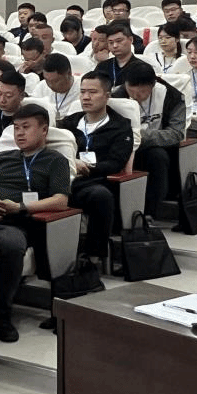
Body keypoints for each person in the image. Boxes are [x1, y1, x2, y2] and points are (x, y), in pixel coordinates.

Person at [0, 105, 72, 340]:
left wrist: (20, 207)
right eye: (16, 128)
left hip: (16, 222)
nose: (19, 133)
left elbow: (61, 200)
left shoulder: (56, 160)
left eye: (26, 127)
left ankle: (0, 315)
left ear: (44, 130)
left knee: (10, 245)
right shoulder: (3, 158)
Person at [60, 73, 133, 261]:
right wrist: (72, 162)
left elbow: (116, 162)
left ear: (107, 96)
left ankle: (93, 256)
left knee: (101, 196)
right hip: (64, 179)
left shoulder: (120, 126)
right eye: (82, 92)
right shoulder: (69, 123)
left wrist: (89, 167)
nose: (86, 97)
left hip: (94, 181)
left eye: (92, 92)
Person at [114, 62, 185, 217]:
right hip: (123, 146)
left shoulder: (172, 96)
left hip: (156, 147)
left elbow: (177, 133)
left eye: (142, 93)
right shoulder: (116, 96)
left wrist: (140, 136)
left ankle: (149, 213)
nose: (136, 97)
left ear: (153, 85)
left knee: (157, 157)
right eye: (131, 91)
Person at [30, 53, 81, 122]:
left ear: (68, 73)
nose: (50, 86)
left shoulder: (83, 87)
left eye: (56, 81)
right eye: (47, 80)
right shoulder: (42, 86)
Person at [97, 23, 146, 90]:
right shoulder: (102, 66)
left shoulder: (142, 68)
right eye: (111, 42)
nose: (115, 46)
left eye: (119, 41)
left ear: (131, 40)